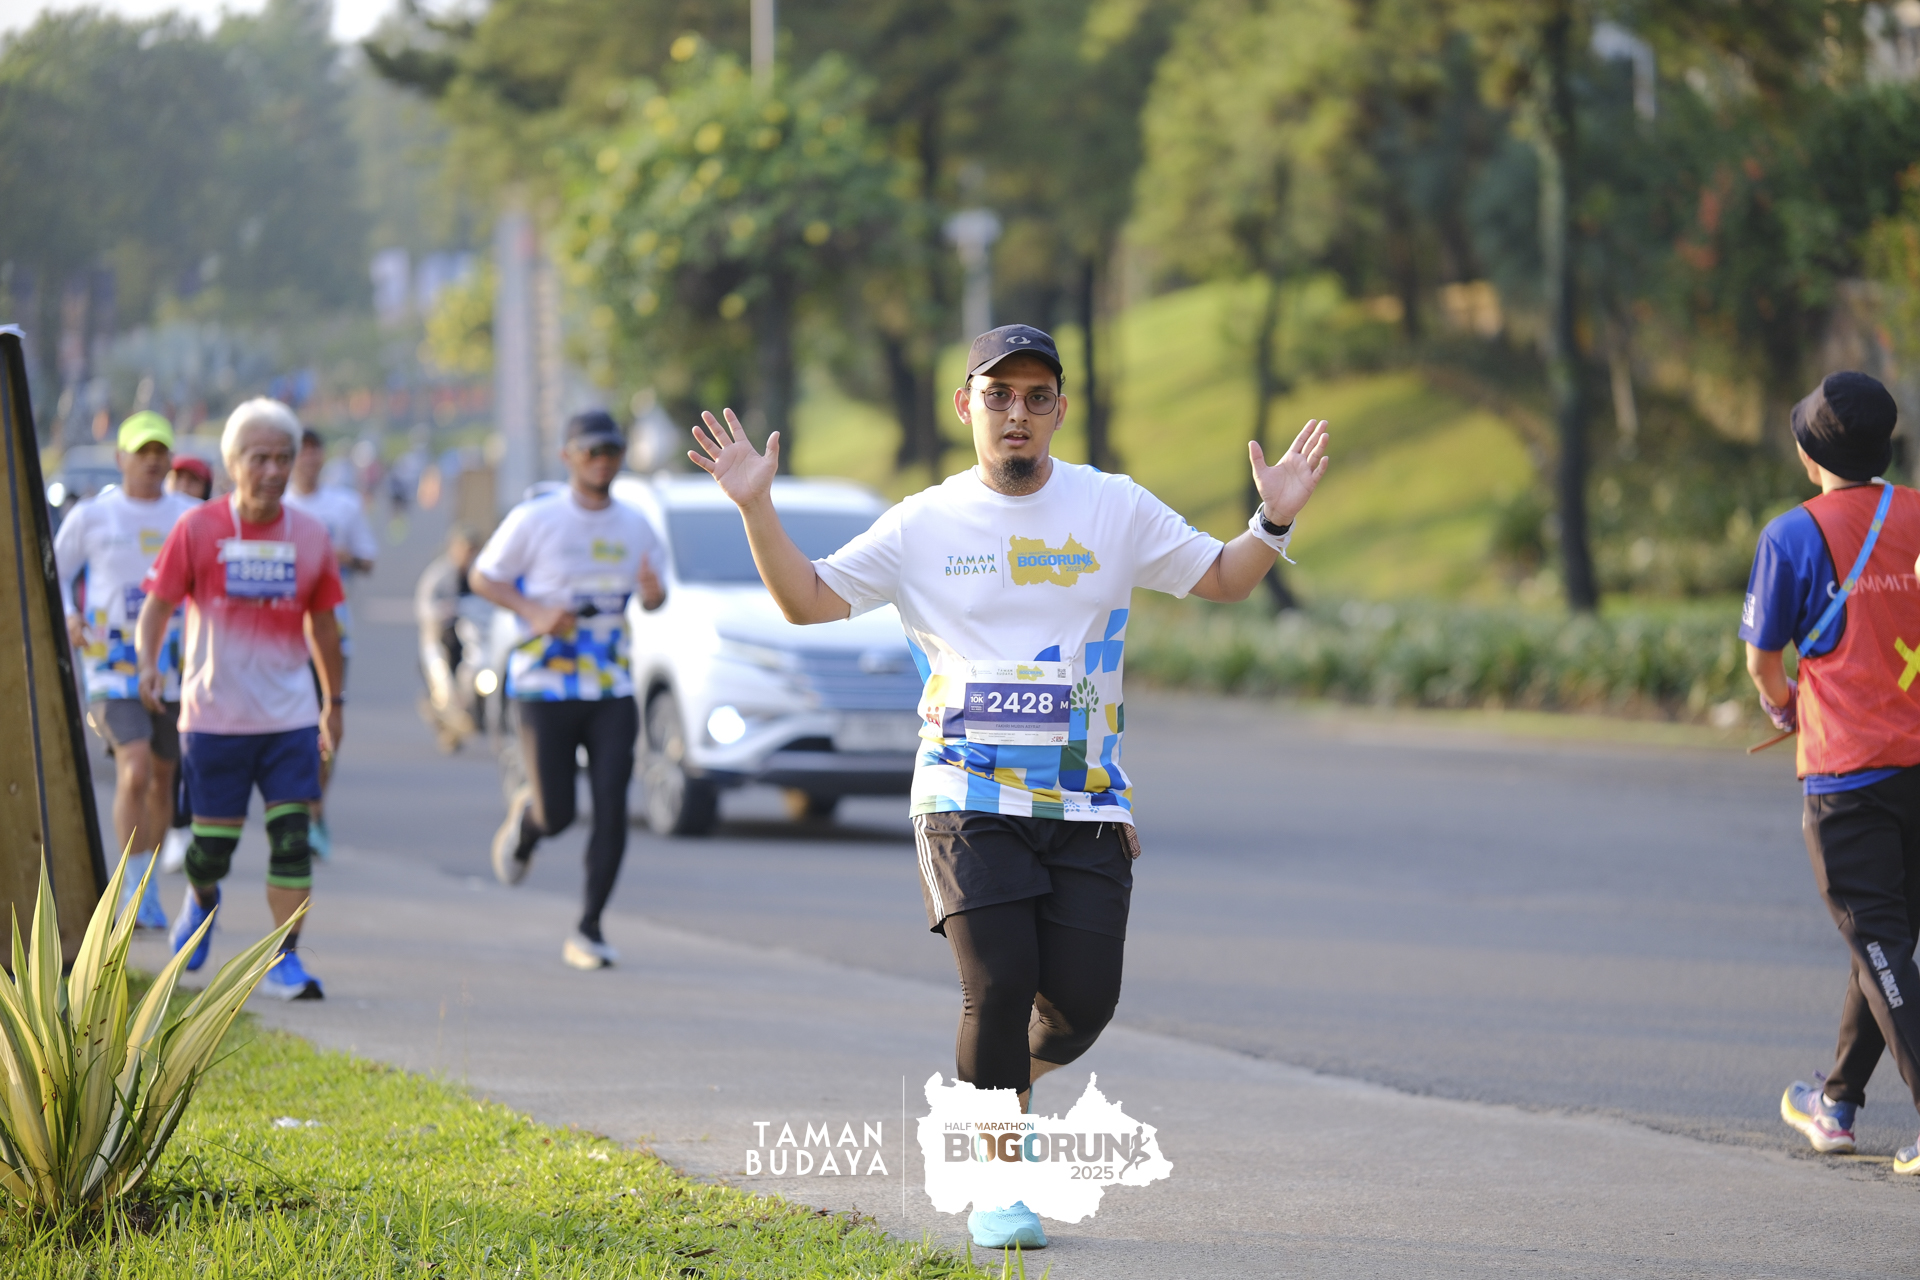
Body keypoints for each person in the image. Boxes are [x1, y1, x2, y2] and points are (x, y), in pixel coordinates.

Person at [688, 324, 1329, 1249]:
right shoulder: (923, 523)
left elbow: (1223, 578)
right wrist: (757, 508)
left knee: (1081, 1006)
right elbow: (809, 600)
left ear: (1060, 409)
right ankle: (997, 1172)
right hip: (964, 792)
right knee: (997, 985)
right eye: (998, 395)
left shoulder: (1112, 506)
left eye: (1036, 397)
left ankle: (997, 1091)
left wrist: (1270, 523)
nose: (1016, 413)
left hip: (1084, 797)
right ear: (966, 407)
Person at [1745, 372, 1920, 1172]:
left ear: (1808, 454)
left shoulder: (1791, 536)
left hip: (1848, 777)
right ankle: (1838, 1102)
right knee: (1882, 943)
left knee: (1880, 944)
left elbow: (1763, 662)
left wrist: (1784, 708)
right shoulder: (1916, 513)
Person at [137, 397, 346, 1001]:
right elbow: (157, 606)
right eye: (260, 459)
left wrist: (334, 703)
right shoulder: (197, 529)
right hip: (215, 718)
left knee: (292, 839)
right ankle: (202, 897)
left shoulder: (311, 535)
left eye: (283, 458)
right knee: (211, 851)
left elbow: (324, 627)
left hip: (289, 719)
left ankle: (284, 959)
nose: (274, 470)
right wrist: (148, 664)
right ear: (233, 464)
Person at [473, 411, 666, 970]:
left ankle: (589, 928)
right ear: (568, 457)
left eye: (612, 451)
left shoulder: (637, 525)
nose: (602, 461)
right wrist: (533, 611)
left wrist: (653, 593)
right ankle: (528, 824)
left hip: (610, 685)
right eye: (590, 451)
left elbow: (655, 597)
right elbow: (483, 576)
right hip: (545, 684)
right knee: (559, 814)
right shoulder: (537, 518)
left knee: (612, 808)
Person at [53, 411, 201, 928]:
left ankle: (147, 886)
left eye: (160, 451)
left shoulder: (189, 515)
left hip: (175, 663)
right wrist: (69, 615)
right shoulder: (93, 516)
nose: (152, 461)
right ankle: (131, 890)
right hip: (110, 664)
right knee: (134, 768)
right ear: (121, 458)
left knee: (163, 778)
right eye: (142, 452)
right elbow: (56, 569)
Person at [284, 427, 379, 859]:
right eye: (300, 452)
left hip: (333, 632)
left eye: (314, 452)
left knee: (327, 725)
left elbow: (369, 559)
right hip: (284, 638)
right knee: (292, 730)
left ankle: (315, 808)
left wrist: (345, 558)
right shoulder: (278, 507)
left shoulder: (344, 505)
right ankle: (295, 812)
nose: (308, 459)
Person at [416, 524, 484, 749]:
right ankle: (446, 726)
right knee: (443, 685)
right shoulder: (439, 574)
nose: (468, 554)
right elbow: (424, 607)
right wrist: (443, 610)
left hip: (471, 638)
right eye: (464, 548)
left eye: (472, 549)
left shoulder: (479, 574)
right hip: (441, 639)